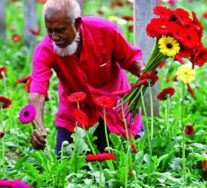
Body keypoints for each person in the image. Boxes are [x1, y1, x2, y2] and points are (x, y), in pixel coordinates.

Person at [28, 0, 147, 156]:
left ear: (77, 24)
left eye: (60, 30)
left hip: (116, 111)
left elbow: (129, 58)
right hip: (75, 116)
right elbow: (37, 92)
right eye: (49, 30)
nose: (54, 37)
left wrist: (143, 72)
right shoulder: (45, 48)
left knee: (132, 163)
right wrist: (38, 126)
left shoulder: (105, 30)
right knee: (66, 167)